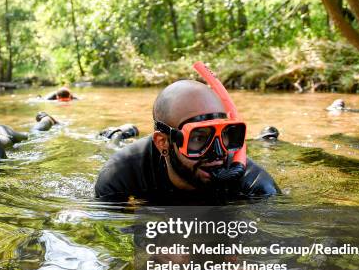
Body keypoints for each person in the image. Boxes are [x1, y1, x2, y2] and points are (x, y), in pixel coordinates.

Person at [94, 80, 279, 202]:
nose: (218, 153)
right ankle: (119, 133)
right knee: (112, 144)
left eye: (224, 134)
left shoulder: (255, 184)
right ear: (163, 142)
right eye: (199, 138)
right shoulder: (119, 175)